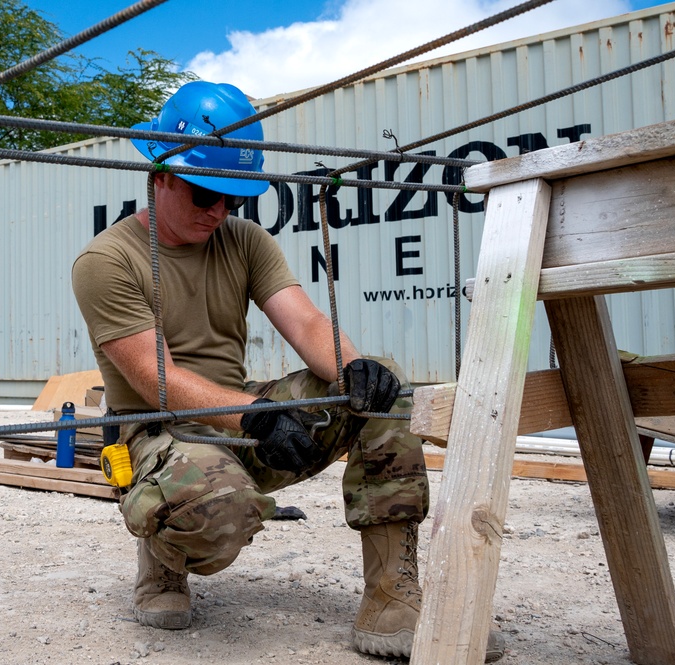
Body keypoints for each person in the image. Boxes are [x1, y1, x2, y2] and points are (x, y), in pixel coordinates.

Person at [71, 80, 502, 662]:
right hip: (154, 429)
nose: (219, 211)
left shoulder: (243, 240)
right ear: (161, 173)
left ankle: (392, 595)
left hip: (238, 416)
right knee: (216, 513)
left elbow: (302, 323)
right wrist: (254, 421)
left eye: (234, 198)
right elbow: (158, 379)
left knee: (381, 388)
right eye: (205, 195)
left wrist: (354, 370)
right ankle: (163, 559)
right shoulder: (107, 261)